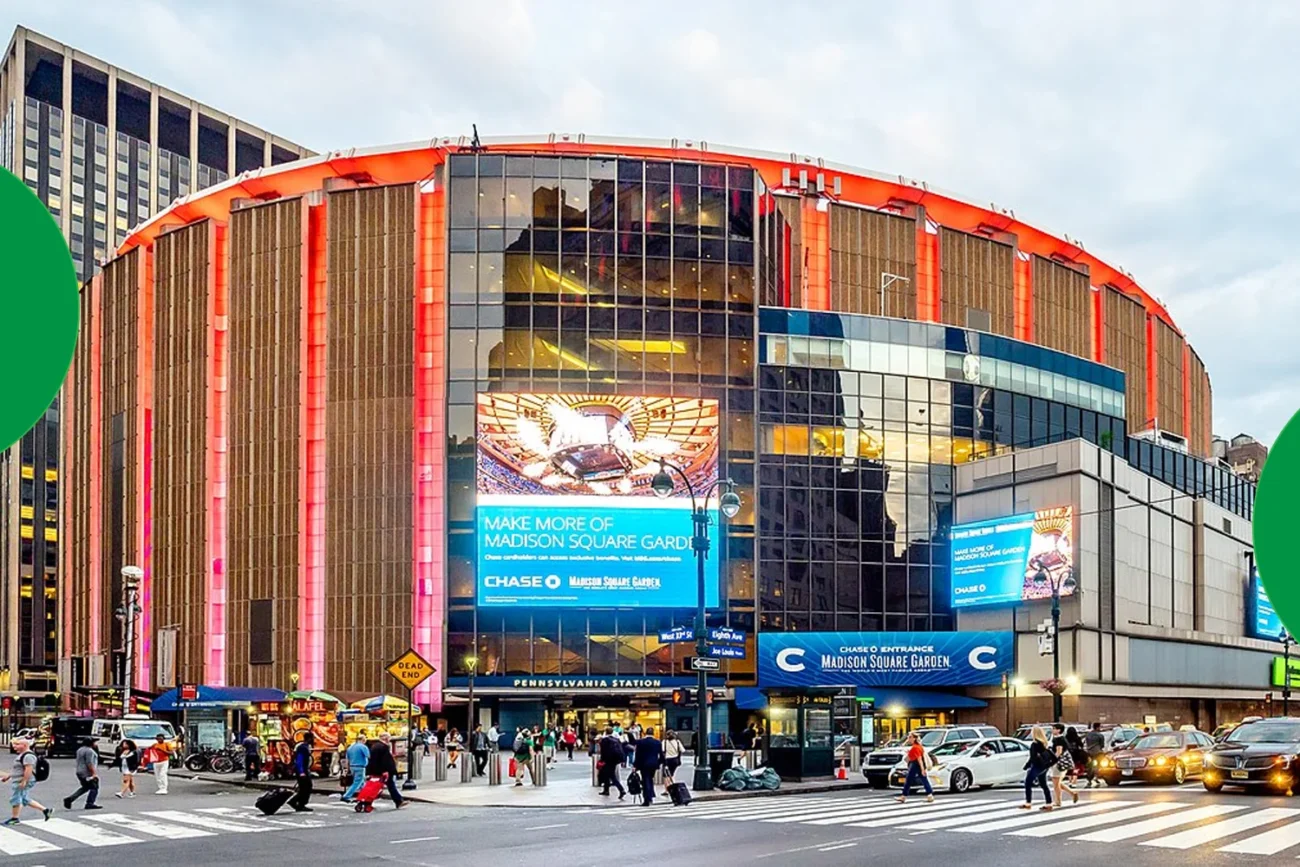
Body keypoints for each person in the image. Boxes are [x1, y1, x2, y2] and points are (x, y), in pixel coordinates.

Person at [2, 737, 52, 825]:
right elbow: (18, 769)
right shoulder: (23, 755)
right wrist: (9, 776)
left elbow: (28, 769)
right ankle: (46, 810)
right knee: (24, 799)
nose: (14, 746)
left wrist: (24, 781)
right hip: (19, 779)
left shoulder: (28, 756)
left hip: (22, 780)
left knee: (16, 798)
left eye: (17, 744)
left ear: (24, 745)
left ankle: (15, 818)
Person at [366, 732, 406, 809]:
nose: (389, 739)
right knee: (390, 785)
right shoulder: (383, 747)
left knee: (377, 786)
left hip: (377, 770)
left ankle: (367, 801)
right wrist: (385, 771)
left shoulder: (375, 746)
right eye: (389, 738)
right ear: (385, 738)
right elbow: (384, 760)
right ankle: (398, 801)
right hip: (384, 771)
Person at [894, 732, 934, 804]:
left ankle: (903, 796)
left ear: (914, 738)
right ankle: (929, 795)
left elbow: (919, 759)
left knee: (909, 780)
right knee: (924, 779)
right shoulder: (918, 746)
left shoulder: (915, 747)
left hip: (915, 764)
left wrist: (922, 769)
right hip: (917, 764)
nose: (908, 739)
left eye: (910, 737)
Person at [64, 736, 102, 811]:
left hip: (79, 771)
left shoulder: (80, 750)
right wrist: (94, 774)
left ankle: (70, 799)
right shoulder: (89, 751)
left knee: (86, 787)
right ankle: (89, 803)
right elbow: (89, 763)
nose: (95, 744)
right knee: (94, 787)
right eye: (94, 742)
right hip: (87, 772)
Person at [1022, 727, 1054, 810]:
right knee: (1043, 784)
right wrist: (1048, 765)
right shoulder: (1044, 744)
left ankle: (1028, 802)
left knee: (1028, 783)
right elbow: (1054, 758)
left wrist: (1027, 765)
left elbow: (1032, 757)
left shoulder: (1035, 744)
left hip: (1036, 766)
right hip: (1044, 767)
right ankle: (1049, 803)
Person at [1049, 723, 1079, 806]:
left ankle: (1058, 801)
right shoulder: (1061, 738)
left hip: (1058, 763)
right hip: (1062, 763)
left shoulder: (1059, 739)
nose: (1052, 730)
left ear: (1059, 730)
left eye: (1054, 728)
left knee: (1056, 783)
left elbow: (1059, 751)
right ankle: (1072, 793)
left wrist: (1052, 761)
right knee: (1057, 782)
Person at [632, 726, 663, 807]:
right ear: (653, 733)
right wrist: (659, 763)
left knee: (645, 780)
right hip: (653, 764)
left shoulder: (640, 742)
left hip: (644, 764)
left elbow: (638, 755)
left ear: (646, 733)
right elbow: (661, 754)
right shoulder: (657, 742)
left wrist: (635, 765)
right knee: (650, 779)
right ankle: (651, 796)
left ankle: (647, 799)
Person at [286, 732, 314, 812]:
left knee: (305, 787)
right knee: (306, 787)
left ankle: (297, 802)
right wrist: (301, 772)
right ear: (309, 738)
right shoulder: (302, 748)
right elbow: (299, 760)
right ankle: (298, 803)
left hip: (304, 770)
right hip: (302, 771)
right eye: (312, 738)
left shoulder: (305, 747)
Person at [597, 726, 626, 800]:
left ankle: (621, 789)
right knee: (607, 775)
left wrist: (602, 760)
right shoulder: (616, 739)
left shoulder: (604, 740)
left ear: (605, 732)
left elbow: (603, 751)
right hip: (615, 760)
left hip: (607, 760)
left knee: (612, 776)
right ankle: (606, 790)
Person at [340, 733, 370, 802]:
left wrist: (347, 769)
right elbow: (368, 756)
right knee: (357, 782)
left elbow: (347, 759)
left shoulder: (350, 747)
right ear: (363, 740)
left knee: (362, 783)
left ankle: (364, 796)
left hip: (352, 767)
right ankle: (346, 796)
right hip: (360, 766)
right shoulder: (363, 747)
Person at [1083, 723, 1106, 788]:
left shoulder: (1088, 735)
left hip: (1089, 752)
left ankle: (1089, 779)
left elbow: (1086, 743)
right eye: (1100, 727)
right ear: (1097, 727)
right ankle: (1096, 776)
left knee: (1090, 766)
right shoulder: (1100, 735)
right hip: (1097, 752)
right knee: (1098, 765)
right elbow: (1102, 745)